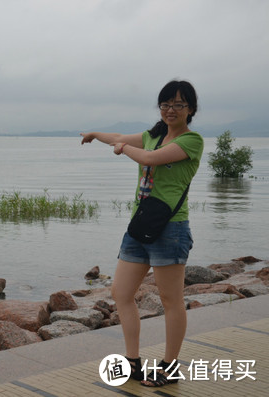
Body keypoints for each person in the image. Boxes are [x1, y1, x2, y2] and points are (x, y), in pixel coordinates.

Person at [80, 80, 204, 387]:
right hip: (139, 226)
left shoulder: (192, 141)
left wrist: (124, 149)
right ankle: (133, 363)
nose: (170, 110)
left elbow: (148, 158)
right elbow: (120, 137)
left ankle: (169, 368)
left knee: (170, 299)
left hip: (171, 229)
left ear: (191, 109)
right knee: (121, 293)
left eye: (178, 104)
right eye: (165, 104)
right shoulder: (153, 135)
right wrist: (96, 135)